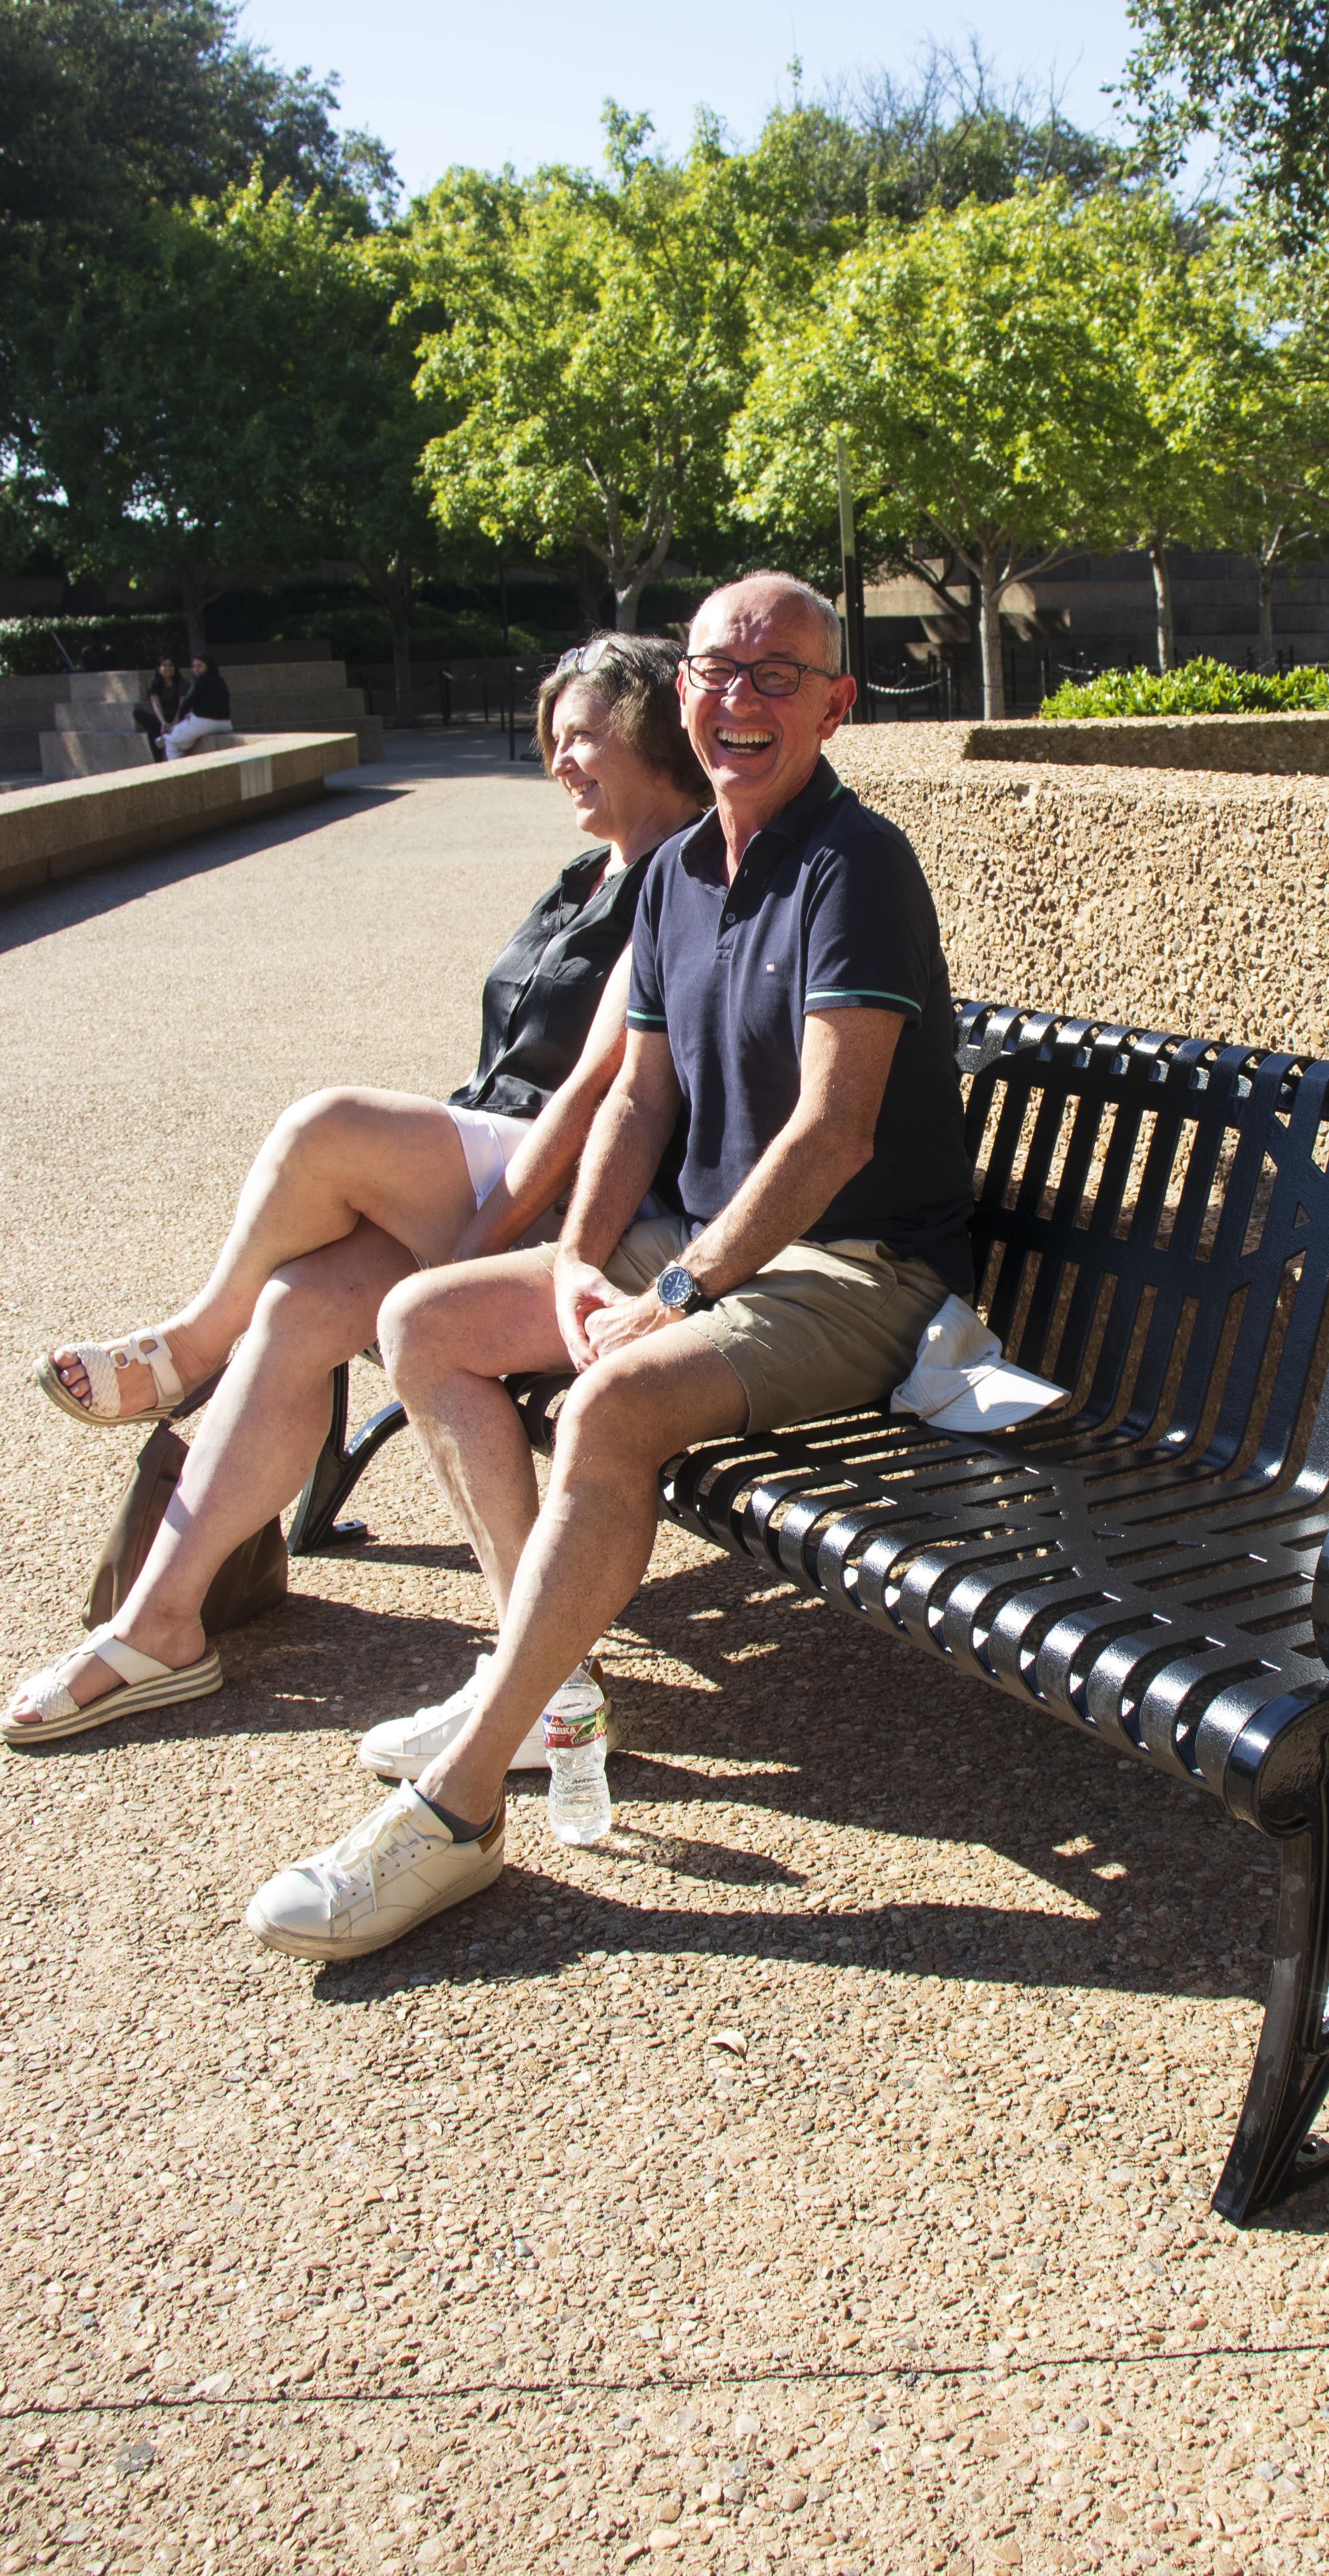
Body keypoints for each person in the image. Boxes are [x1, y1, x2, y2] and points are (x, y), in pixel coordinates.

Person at [242, 571, 976, 1959]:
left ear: (838, 703)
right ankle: (554, 1685)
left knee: (611, 1405)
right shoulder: (683, 871)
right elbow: (637, 1103)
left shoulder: (855, 864)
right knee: (423, 1321)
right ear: (682, 687)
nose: (742, 701)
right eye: (718, 671)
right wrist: (582, 1264)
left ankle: (455, 1814)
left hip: (857, 1272)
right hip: (695, 1248)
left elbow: (837, 1128)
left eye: (778, 677)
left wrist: (677, 1293)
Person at [6, 636, 709, 1750]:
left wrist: (462, 1254)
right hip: (492, 1162)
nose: (563, 759)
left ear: (656, 734)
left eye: (587, 734)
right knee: (292, 1311)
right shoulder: (591, 875)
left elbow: (589, 1104)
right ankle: (160, 1627)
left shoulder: (683, 868)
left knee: (323, 1128)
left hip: (563, 1194)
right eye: (554, 738)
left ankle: (186, 1349)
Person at [160, 649, 233, 758]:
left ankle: (177, 772)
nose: (196, 670)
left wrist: (177, 722)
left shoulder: (201, 680)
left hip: (206, 724)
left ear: (208, 666)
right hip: (226, 725)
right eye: (194, 667)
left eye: (200, 666)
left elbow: (188, 701)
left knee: (171, 742)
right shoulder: (220, 680)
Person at [134, 656, 190, 762]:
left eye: (170, 666)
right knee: (138, 713)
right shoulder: (154, 684)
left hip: (178, 717)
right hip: (162, 719)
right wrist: (163, 723)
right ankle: (159, 761)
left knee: (152, 732)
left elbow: (182, 707)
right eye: (165, 666)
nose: (168, 668)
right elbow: (156, 705)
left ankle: (159, 757)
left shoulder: (182, 683)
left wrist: (174, 724)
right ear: (159, 669)